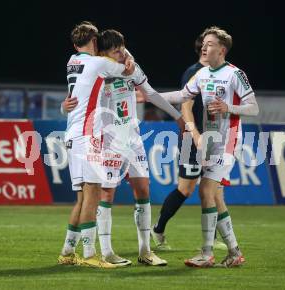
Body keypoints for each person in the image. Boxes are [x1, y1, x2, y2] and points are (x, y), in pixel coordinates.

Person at [161, 26, 259, 268]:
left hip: (227, 143)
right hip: (211, 143)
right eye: (204, 43)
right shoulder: (202, 74)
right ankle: (234, 253)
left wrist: (229, 108)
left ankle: (206, 253)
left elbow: (253, 107)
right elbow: (182, 95)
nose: (205, 46)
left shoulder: (235, 74)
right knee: (213, 194)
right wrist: (149, 94)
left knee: (206, 190)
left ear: (222, 50)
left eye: (211, 43)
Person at [57, 21, 134, 269]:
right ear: (94, 42)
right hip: (88, 135)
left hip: (72, 133)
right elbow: (125, 63)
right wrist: (124, 55)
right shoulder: (98, 63)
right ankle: (90, 255)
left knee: (81, 199)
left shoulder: (72, 61)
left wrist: (62, 105)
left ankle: (67, 252)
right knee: (93, 194)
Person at [151, 34, 227, 252]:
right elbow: (186, 106)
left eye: (209, 46)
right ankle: (158, 229)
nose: (205, 50)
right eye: (202, 47)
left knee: (214, 190)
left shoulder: (220, 73)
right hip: (191, 140)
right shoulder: (194, 72)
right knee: (185, 189)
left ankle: (212, 239)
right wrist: (195, 137)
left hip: (213, 139)